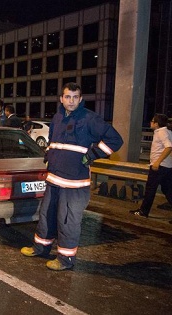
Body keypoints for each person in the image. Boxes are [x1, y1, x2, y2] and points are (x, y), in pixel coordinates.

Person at [20, 82, 123, 271]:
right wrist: (49, 154)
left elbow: (115, 140)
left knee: (67, 221)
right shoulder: (58, 117)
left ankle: (65, 259)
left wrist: (92, 155)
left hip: (75, 184)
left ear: (81, 99)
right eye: (68, 96)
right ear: (61, 98)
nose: (71, 101)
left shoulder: (90, 118)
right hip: (54, 178)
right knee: (46, 216)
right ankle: (40, 248)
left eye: (75, 97)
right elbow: (53, 142)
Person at [130, 113, 172, 218]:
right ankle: (143, 211)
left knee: (150, 189)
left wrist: (157, 162)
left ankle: (143, 212)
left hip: (159, 167)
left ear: (157, 124)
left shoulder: (161, 132)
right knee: (167, 190)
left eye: (152, 121)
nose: (151, 122)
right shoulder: (168, 132)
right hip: (167, 166)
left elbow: (169, 147)